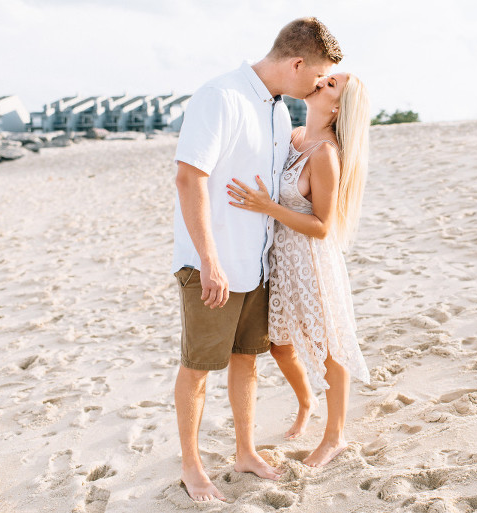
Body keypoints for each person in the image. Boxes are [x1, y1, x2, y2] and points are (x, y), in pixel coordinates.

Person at [172, 18, 342, 502]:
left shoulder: (280, 114)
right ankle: (192, 466)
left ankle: (244, 452)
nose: (317, 85)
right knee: (198, 366)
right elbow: (189, 179)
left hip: (258, 264)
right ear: (296, 63)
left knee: (246, 362)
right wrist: (209, 259)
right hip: (211, 264)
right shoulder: (220, 96)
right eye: (318, 76)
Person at [226, 71, 372, 468]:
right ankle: (307, 401)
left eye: (331, 85)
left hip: (310, 263)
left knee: (329, 348)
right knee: (278, 343)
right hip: (281, 258)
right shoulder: (294, 138)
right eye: (324, 77)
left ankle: (335, 437)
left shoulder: (325, 153)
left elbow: (323, 226)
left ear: (338, 106)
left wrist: (267, 208)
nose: (321, 81)